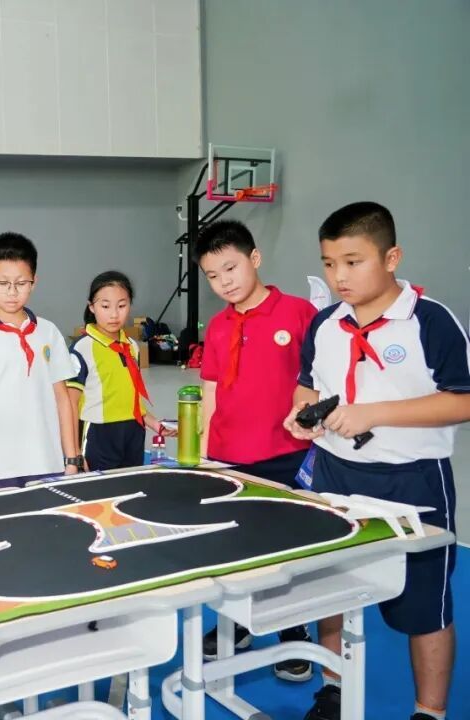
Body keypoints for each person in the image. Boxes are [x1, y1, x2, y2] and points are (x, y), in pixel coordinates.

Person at [285, 201, 469, 720]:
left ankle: (429, 711)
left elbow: (463, 399)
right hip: (333, 474)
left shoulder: (430, 321)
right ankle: (333, 689)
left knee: (425, 606)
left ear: (391, 258)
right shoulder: (324, 324)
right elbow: (308, 385)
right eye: (328, 264)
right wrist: (301, 413)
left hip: (412, 482)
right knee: (329, 588)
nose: (339, 277)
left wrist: (374, 414)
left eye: (353, 261)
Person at [194, 219, 319, 680]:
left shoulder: (299, 313)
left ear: (255, 258)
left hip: (286, 454)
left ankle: (292, 630)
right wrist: (204, 455)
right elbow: (209, 391)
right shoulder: (218, 326)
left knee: (288, 548)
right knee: (235, 549)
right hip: (229, 457)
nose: (224, 282)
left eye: (231, 268)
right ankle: (236, 624)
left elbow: (320, 380)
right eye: (213, 275)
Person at [0, 232, 80, 491]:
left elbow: (63, 400)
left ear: (34, 282)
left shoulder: (49, 332)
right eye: (2, 283)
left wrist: (71, 460)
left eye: (21, 283)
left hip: (48, 463)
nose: (12, 292)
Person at [67, 270, 174, 470]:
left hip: (134, 432)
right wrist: (73, 455)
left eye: (122, 305)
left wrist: (154, 424)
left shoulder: (132, 346)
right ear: (92, 307)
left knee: (130, 483)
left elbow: (130, 397)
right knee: (101, 488)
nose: (114, 314)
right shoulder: (82, 348)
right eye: (105, 306)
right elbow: (70, 405)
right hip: (99, 435)